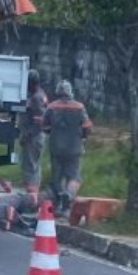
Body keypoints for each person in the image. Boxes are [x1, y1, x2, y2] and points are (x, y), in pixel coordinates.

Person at [42, 80, 93, 218]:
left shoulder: (52, 107)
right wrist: (83, 136)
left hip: (56, 148)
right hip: (74, 147)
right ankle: (68, 197)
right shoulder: (79, 107)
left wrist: (53, 132)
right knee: (74, 177)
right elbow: (87, 126)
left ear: (58, 92)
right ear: (71, 92)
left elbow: (45, 126)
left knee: (57, 178)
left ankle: (58, 204)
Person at [18, 69, 48, 207]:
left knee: (30, 167)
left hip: (33, 137)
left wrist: (27, 135)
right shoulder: (40, 95)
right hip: (36, 136)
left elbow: (39, 121)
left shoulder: (36, 98)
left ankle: (32, 199)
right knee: (35, 166)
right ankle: (33, 196)